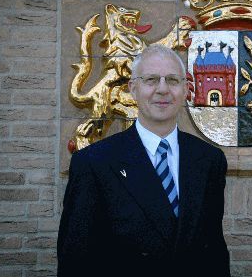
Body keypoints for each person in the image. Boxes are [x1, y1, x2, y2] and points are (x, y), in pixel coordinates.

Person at [57, 45, 230, 276]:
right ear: (133, 89)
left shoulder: (210, 160)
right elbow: (75, 260)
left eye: (172, 80)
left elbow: (214, 253)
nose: (162, 89)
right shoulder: (93, 162)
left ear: (186, 89)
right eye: (151, 80)